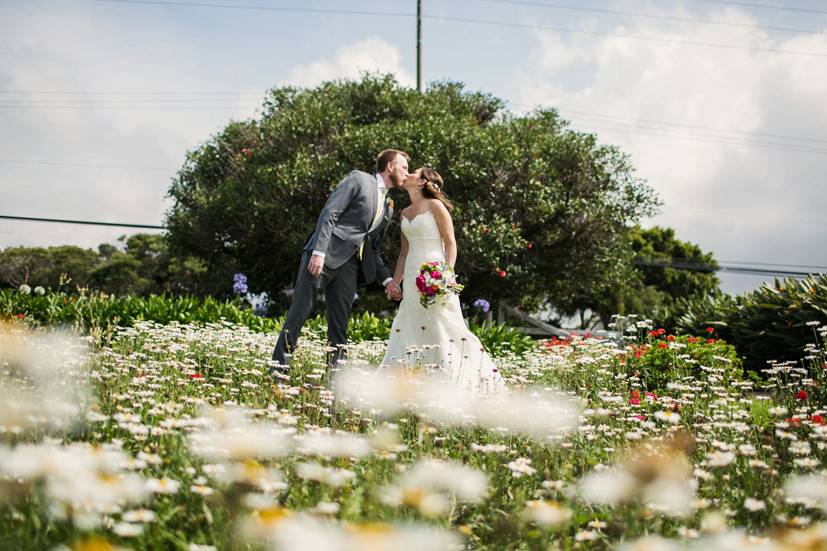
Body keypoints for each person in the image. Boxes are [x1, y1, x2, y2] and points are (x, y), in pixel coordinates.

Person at [271, 150, 408, 374]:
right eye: (404, 167)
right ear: (390, 166)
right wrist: (318, 252)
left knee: (339, 326)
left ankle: (335, 381)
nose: (407, 173)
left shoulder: (388, 208)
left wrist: (388, 280)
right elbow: (330, 213)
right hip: (323, 257)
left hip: (350, 267)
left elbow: (373, 248)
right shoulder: (359, 179)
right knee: (299, 313)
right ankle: (278, 370)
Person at [381, 167, 505, 394]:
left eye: (414, 172)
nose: (408, 174)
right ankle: (411, 381)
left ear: (422, 182)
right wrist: (395, 281)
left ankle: (454, 380)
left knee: (444, 325)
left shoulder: (435, 206)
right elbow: (403, 253)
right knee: (410, 325)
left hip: (435, 275)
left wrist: (446, 275)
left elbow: (450, 243)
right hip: (411, 278)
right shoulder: (404, 213)